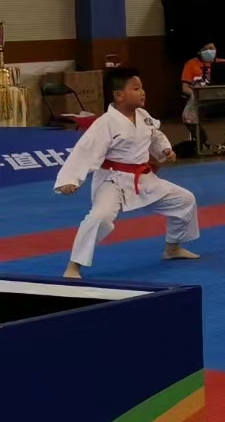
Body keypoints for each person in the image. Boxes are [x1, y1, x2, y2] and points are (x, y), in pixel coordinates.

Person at [53, 68, 201, 280]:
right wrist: (71, 180)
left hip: (144, 179)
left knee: (184, 200)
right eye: (136, 88)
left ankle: (172, 247)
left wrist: (164, 150)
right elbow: (84, 151)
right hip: (113, 180)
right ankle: (73, 266)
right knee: (100, 217)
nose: (142, 92)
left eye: (141, 88)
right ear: (119, 95)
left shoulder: (143, 116)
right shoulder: (105, 123)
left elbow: (155, 136)